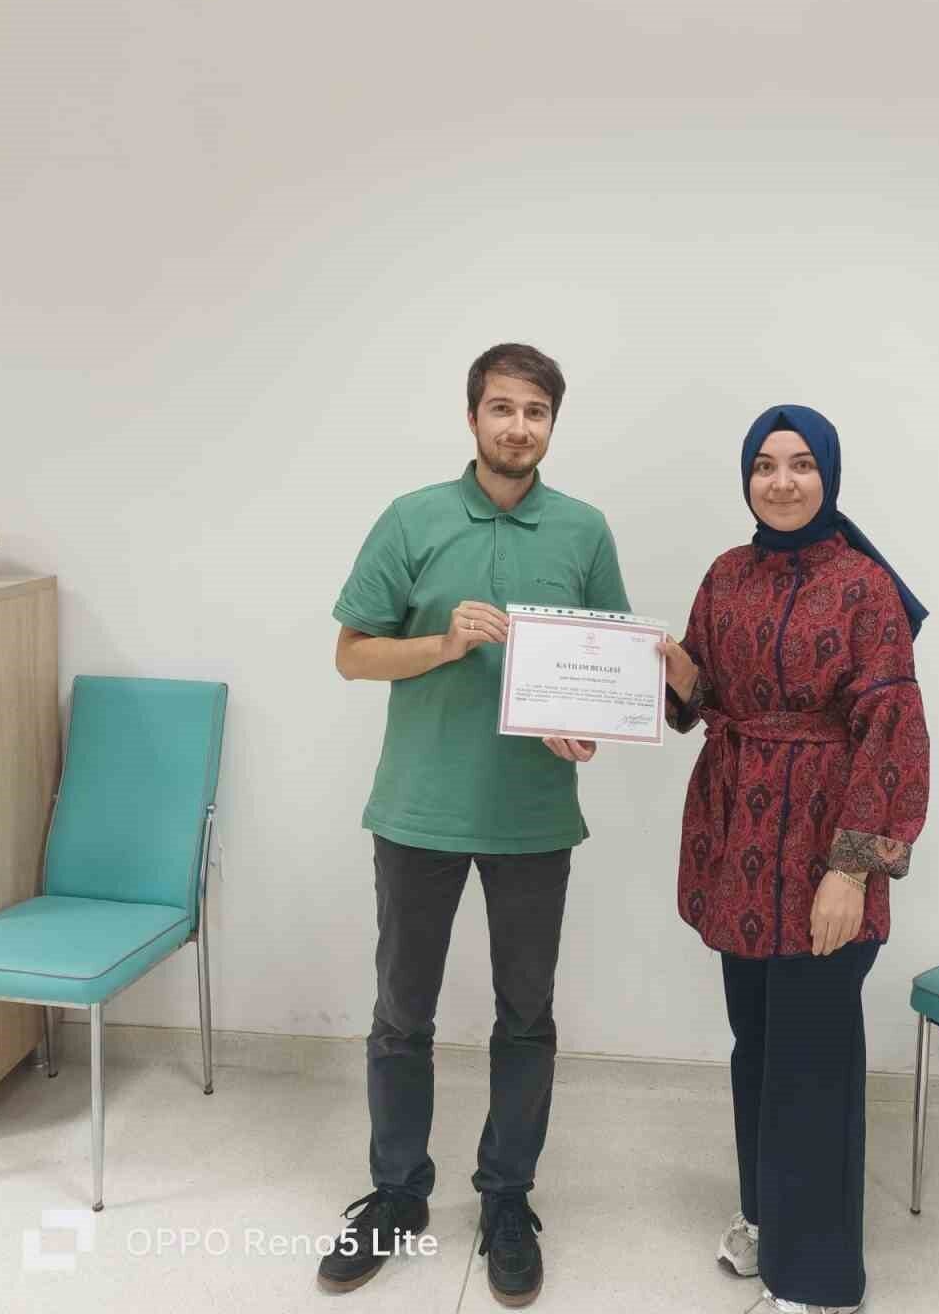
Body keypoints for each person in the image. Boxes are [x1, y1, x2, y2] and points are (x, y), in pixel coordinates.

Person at [318, 343, 630, 1306]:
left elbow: (609, 666)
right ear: (472, 417)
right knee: (401, 1016)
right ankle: (397, 1193)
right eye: (502, 407)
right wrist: (444, 644)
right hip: (418, 810)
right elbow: (351, 655)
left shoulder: (583, 529)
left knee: (526, 1018)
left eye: (536, 411)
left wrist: (586, 727)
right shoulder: (411, 518)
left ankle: (506, 1200)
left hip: (534, 818)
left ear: (552, 425)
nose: (518, 426)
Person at [658, 404, 930, 1314]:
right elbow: (709, 698)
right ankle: (767, 1216)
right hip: (739, 844)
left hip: (824, 850)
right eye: (765, 465)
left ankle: (817, 1281)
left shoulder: (864, 586)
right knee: (759, 1045)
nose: (781, 481)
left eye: (801, 464)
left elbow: (893, 732)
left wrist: (850, 871)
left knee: (813, 1058)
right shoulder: (726, 574)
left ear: (829, 476)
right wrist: (678, 677)